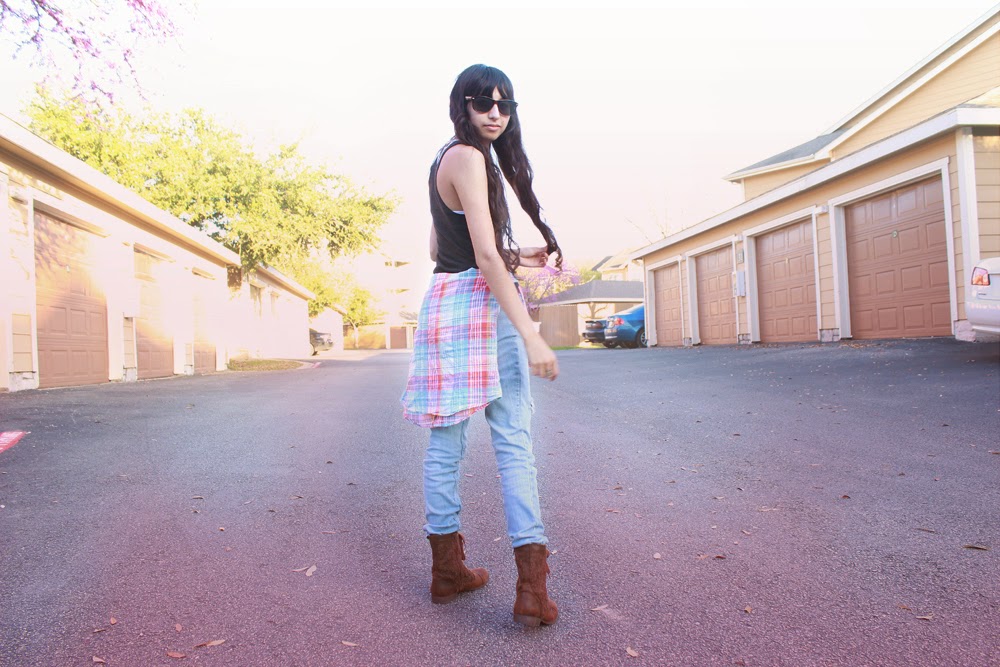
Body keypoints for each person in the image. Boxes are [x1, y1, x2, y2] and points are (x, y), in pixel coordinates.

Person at [401, 64, 561, 627]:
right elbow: (486, 258)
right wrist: (532, 335)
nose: (495, 113)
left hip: (444, 304)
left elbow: (440, 247)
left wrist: (520, 257)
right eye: (483, 102)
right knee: (513, 439)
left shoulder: (444, 159)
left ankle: (447, 572)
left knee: (446, 442)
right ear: (462, 105)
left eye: (504, 104)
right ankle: (532, 590)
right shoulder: (471, 158)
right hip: (480, 305)